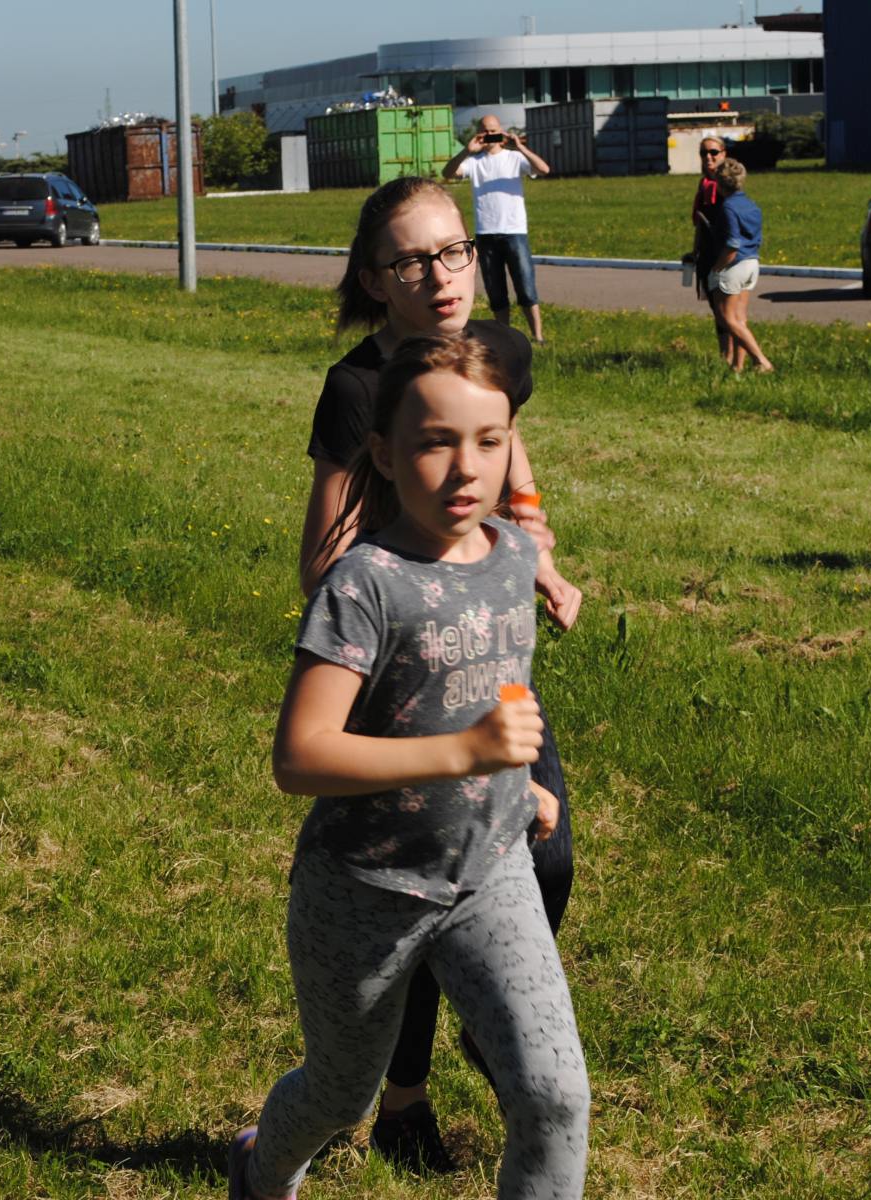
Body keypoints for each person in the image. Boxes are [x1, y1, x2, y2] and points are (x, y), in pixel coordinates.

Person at [229, 334, 590, 1200]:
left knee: (553, 1097)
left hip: (489, 872)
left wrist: (517, 783)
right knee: (340, 1094)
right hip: (364, 890)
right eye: (434, 442)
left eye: (489, 441)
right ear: (385, 455)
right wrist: (465, 755)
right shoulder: (364, 585)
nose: (466, 467)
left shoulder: (511, 555)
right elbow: (300, 754)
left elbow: (487, 684)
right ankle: (259, 1172)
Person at [296, 175, 580, 1176]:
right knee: (414, 890)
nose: (441, 274)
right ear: (375, 280)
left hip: (490, 654)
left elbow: (504, 439)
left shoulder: (495, 350)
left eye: (453, 250)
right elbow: (320, 555)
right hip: (408, 676)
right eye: (413, 260)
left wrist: (532, 547)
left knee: (546, 856)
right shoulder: (356, 389)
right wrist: (392, 589)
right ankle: (402, 1100)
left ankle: (485, 999)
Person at [444, 115, 551, 344]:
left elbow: (544, 169)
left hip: (514, 231)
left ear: (501, 132)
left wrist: (520, 146)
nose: (490, 135)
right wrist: (467, 151)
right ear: (479, 134)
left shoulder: (515, 157)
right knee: (496, 291)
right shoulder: (475, 162)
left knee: (526, 287)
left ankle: (538, 337)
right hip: (486, 233)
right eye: (485, 131)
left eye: (493, 131)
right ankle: (505, 337)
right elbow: (448, 173)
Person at [708, 158, 773, 373]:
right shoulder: (751, 205)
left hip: (734, 265)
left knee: (727, 318)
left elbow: (732, 245)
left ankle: (761, 360)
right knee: (740, 319)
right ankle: (738, 366)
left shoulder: (728, 207)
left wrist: (717, 268)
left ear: (719, 183)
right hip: (752, 263)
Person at [689, 137, 730, 360]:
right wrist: (694, 251)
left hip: (723, 255)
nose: (708, 157)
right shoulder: (703, 184)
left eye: (713, 152)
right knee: (716, 309)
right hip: (706, 254)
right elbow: (700, 222)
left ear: (724, 153)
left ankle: (743, 360)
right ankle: (726, 358)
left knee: (728, 312)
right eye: (703, 153)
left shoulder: (727, 185)